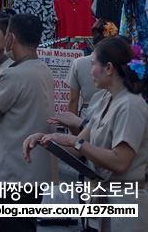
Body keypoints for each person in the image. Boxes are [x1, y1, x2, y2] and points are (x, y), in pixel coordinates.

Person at [24, 36, 148, 232]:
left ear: (108, 68)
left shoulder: (131, 105)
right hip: (100, 201)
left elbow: (120, 162)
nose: (90, 72)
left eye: (93, 65)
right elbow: (80, 147)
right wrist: (45, 139)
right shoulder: (105, 98)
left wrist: (76, 142)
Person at [0, 13, 57, 232]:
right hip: (29, 168)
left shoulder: (16, 74)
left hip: (16, 170)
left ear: (10, 38)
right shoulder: (40, 68)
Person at [65, 18, 109, 116]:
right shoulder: (117, 63)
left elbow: (73, 100)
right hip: (111, 114)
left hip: (87, 114)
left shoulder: (78, 63)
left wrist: (72, 128)